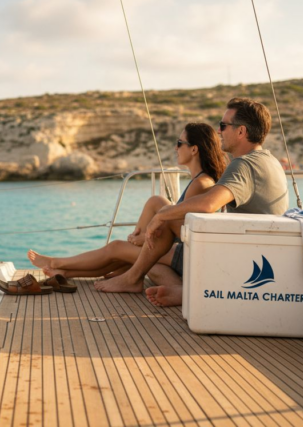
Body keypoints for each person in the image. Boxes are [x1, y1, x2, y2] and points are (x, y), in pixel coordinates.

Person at [92, 97, 289, 307]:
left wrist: (162, 215)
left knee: (165, 215)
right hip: (260, 254)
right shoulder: (269, 160)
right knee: (157, 258)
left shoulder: (244, 165)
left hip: (244, 261)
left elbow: (209, 204)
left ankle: (134, 279)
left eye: (223, 126)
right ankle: (183, 291)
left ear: (241, 131)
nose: (220, 131)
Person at [27, 122, 228, 286]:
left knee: (116, 248)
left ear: (194, 149)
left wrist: (146, 237)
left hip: (183, 256)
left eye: (179, 143)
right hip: (178, 252)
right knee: (155, 202)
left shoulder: (201, 184)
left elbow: (184, 232)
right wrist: (143, 236)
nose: (176, 148)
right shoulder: (200, 180)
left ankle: (57, 262)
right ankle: (63, 271)